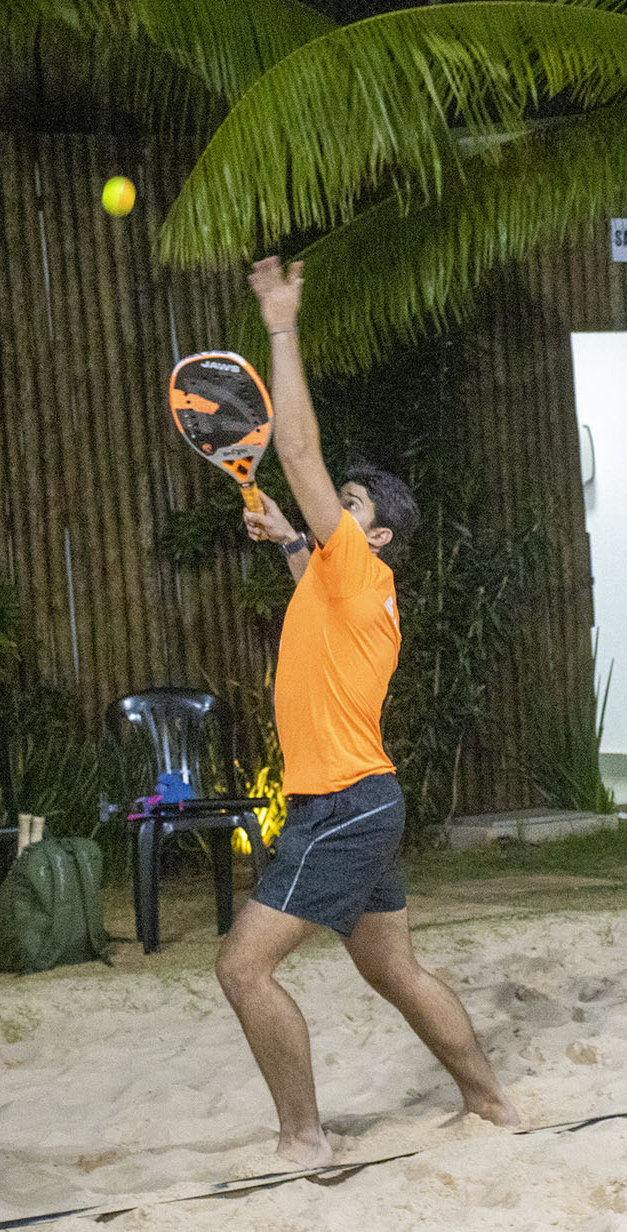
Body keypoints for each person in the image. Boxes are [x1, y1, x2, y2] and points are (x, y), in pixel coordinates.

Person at [215, 256, 519, 1166]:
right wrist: (283, 533)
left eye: (346, 509)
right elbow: (305, 568)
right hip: (362, 800)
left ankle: (303, 1138)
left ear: (375, 535)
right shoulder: (344, 581)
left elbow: (299, 454)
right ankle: (493, 1104)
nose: (331, 514)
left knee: (242, 967)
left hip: (344, 805)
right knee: (394, 969)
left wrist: (281, 323)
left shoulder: (358, 567)